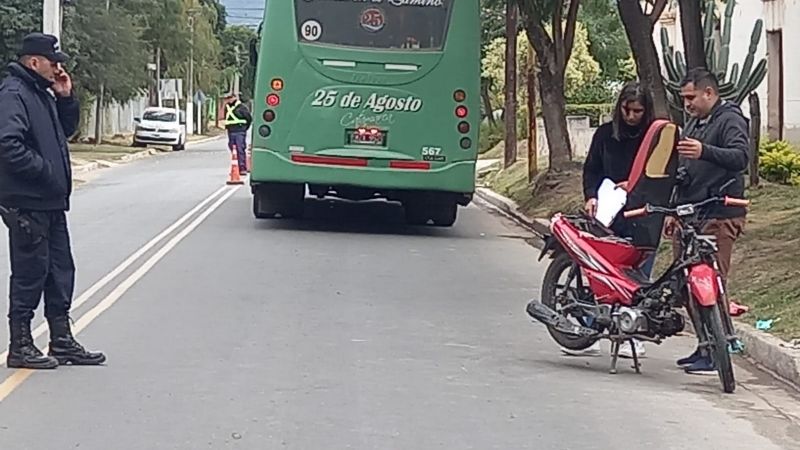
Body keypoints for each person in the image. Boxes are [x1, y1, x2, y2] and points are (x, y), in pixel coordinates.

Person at [0, 33, 106, 369]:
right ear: (34, 61)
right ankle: (21, 345)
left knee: (60, 271)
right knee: (30, 273)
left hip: (51, 202)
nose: (58, 68)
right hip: (28, 201)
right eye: (53, 62)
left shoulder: (42, 93)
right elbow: (8, 144)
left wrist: (65, 98)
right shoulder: (14, 94)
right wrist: (46, 172)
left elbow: (65, 131)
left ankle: (61, 340)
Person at [667, 67, 749, 375]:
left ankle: (719, 350)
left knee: (710, 283)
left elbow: (740, 158)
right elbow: (685, 170)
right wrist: (673, 209)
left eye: (691, 97)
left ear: (709, 93)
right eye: (683, 98)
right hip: (690, 214)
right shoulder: (694, 122)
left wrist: (705, 151)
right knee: (687, 285)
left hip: (719, 214)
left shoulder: (730, 119)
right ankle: (705, 347)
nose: (687, 103)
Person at [567, 81, 656, 359]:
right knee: (599, 273)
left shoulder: (652, 138)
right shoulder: (606, 134)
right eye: (626, 110)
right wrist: (591, 196)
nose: (631, 116)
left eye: (637, 111)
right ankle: (590, 330)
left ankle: (633, 333)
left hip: (641, 211)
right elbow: (592, 168)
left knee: (639, 276)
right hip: (607, 210)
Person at [224, 93, 252, 175]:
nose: (229, 99)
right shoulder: (227, 107)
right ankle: (235, 168)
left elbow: (249, 119)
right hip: (231, 131)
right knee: (233, 149)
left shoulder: (242, 107)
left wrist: (244, 128)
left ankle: (242, 168)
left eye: (231, 98)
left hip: (240, 131)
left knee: (240, 149)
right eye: (228, 98)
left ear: (235, 98)